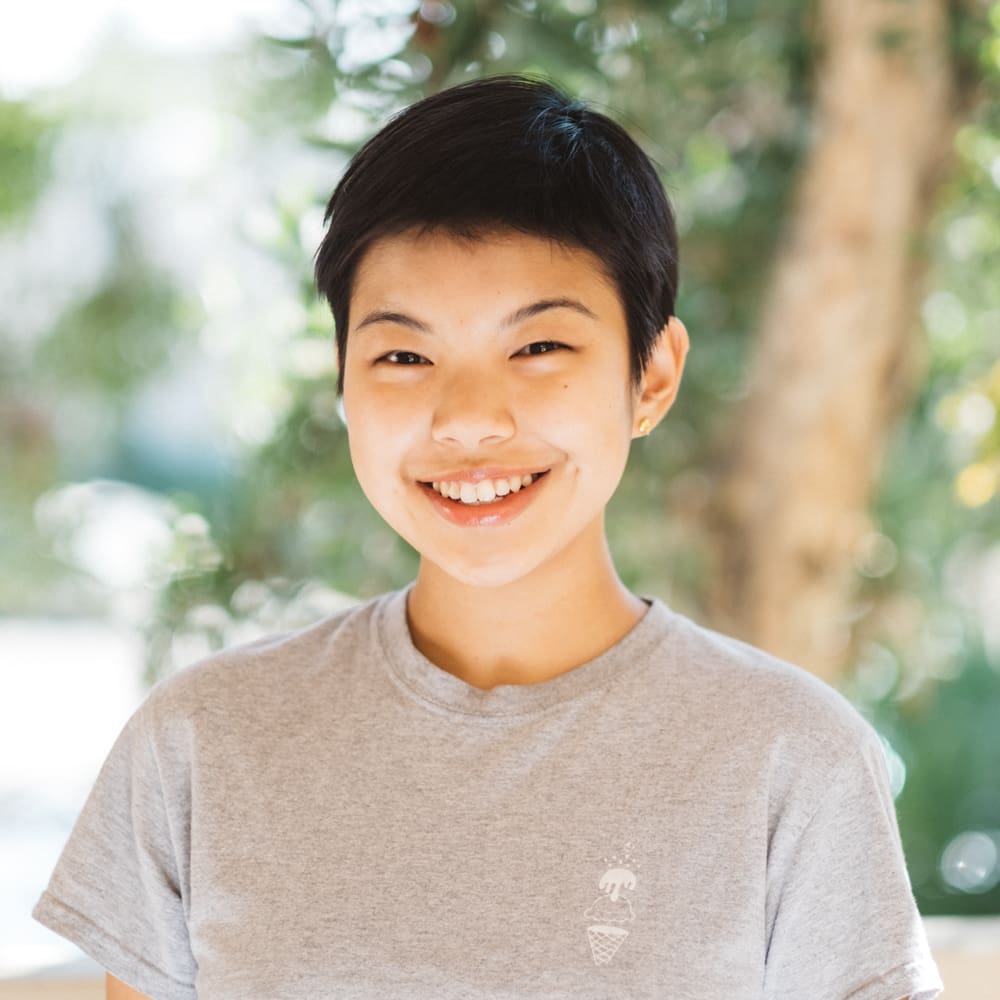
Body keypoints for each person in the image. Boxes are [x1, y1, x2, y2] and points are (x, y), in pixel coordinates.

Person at [33, 75, 942, 1000]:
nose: (468, 420)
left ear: (653, 377)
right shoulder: (199, 744)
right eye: (404, 355)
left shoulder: (795, 759)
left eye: (539, 347)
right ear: (343, 384)